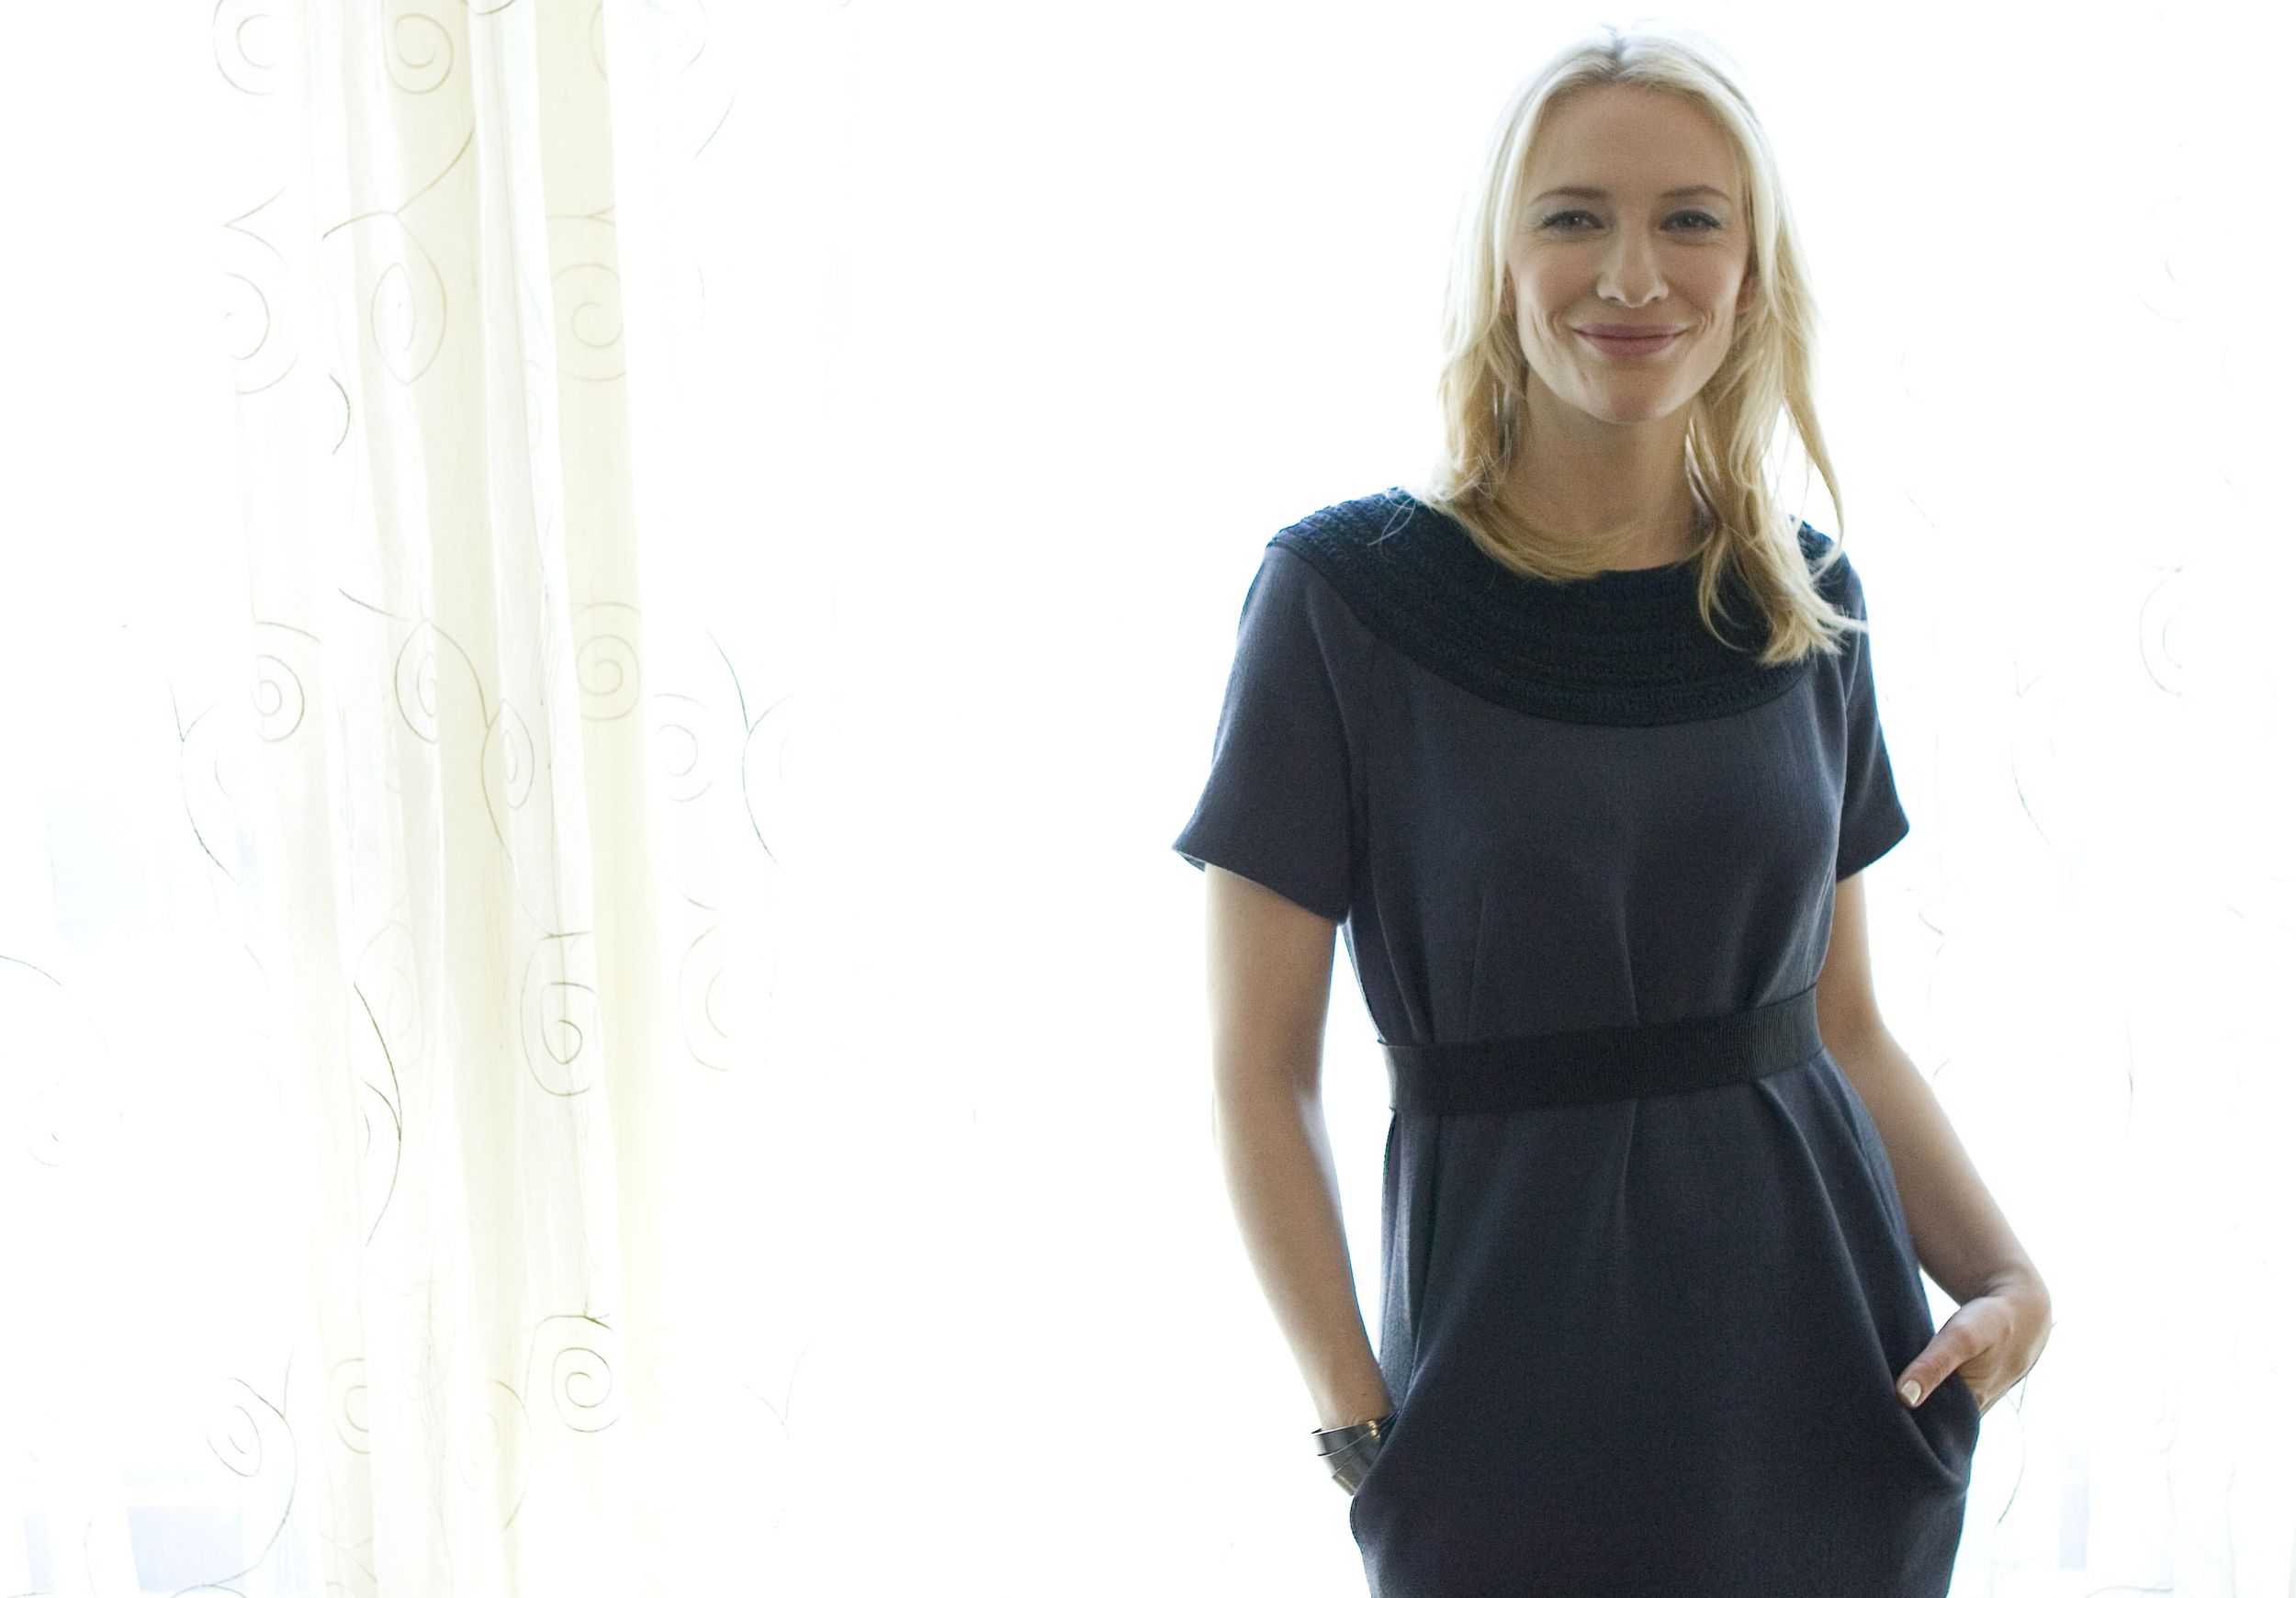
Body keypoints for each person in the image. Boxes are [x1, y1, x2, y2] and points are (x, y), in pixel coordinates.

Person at [1171, 22, 2054, 1597]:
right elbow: (1257, 1075)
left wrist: (2003, 1275)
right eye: (1574, 216)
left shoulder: (1804, 600)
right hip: (1501, 1415)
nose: (1634, 275)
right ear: (1500, 262)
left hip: (1825, 1404)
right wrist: (1362, 1433)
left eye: (1690, 220)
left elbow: (1843, 1023)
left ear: (1753, 274)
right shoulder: (1339, 600)